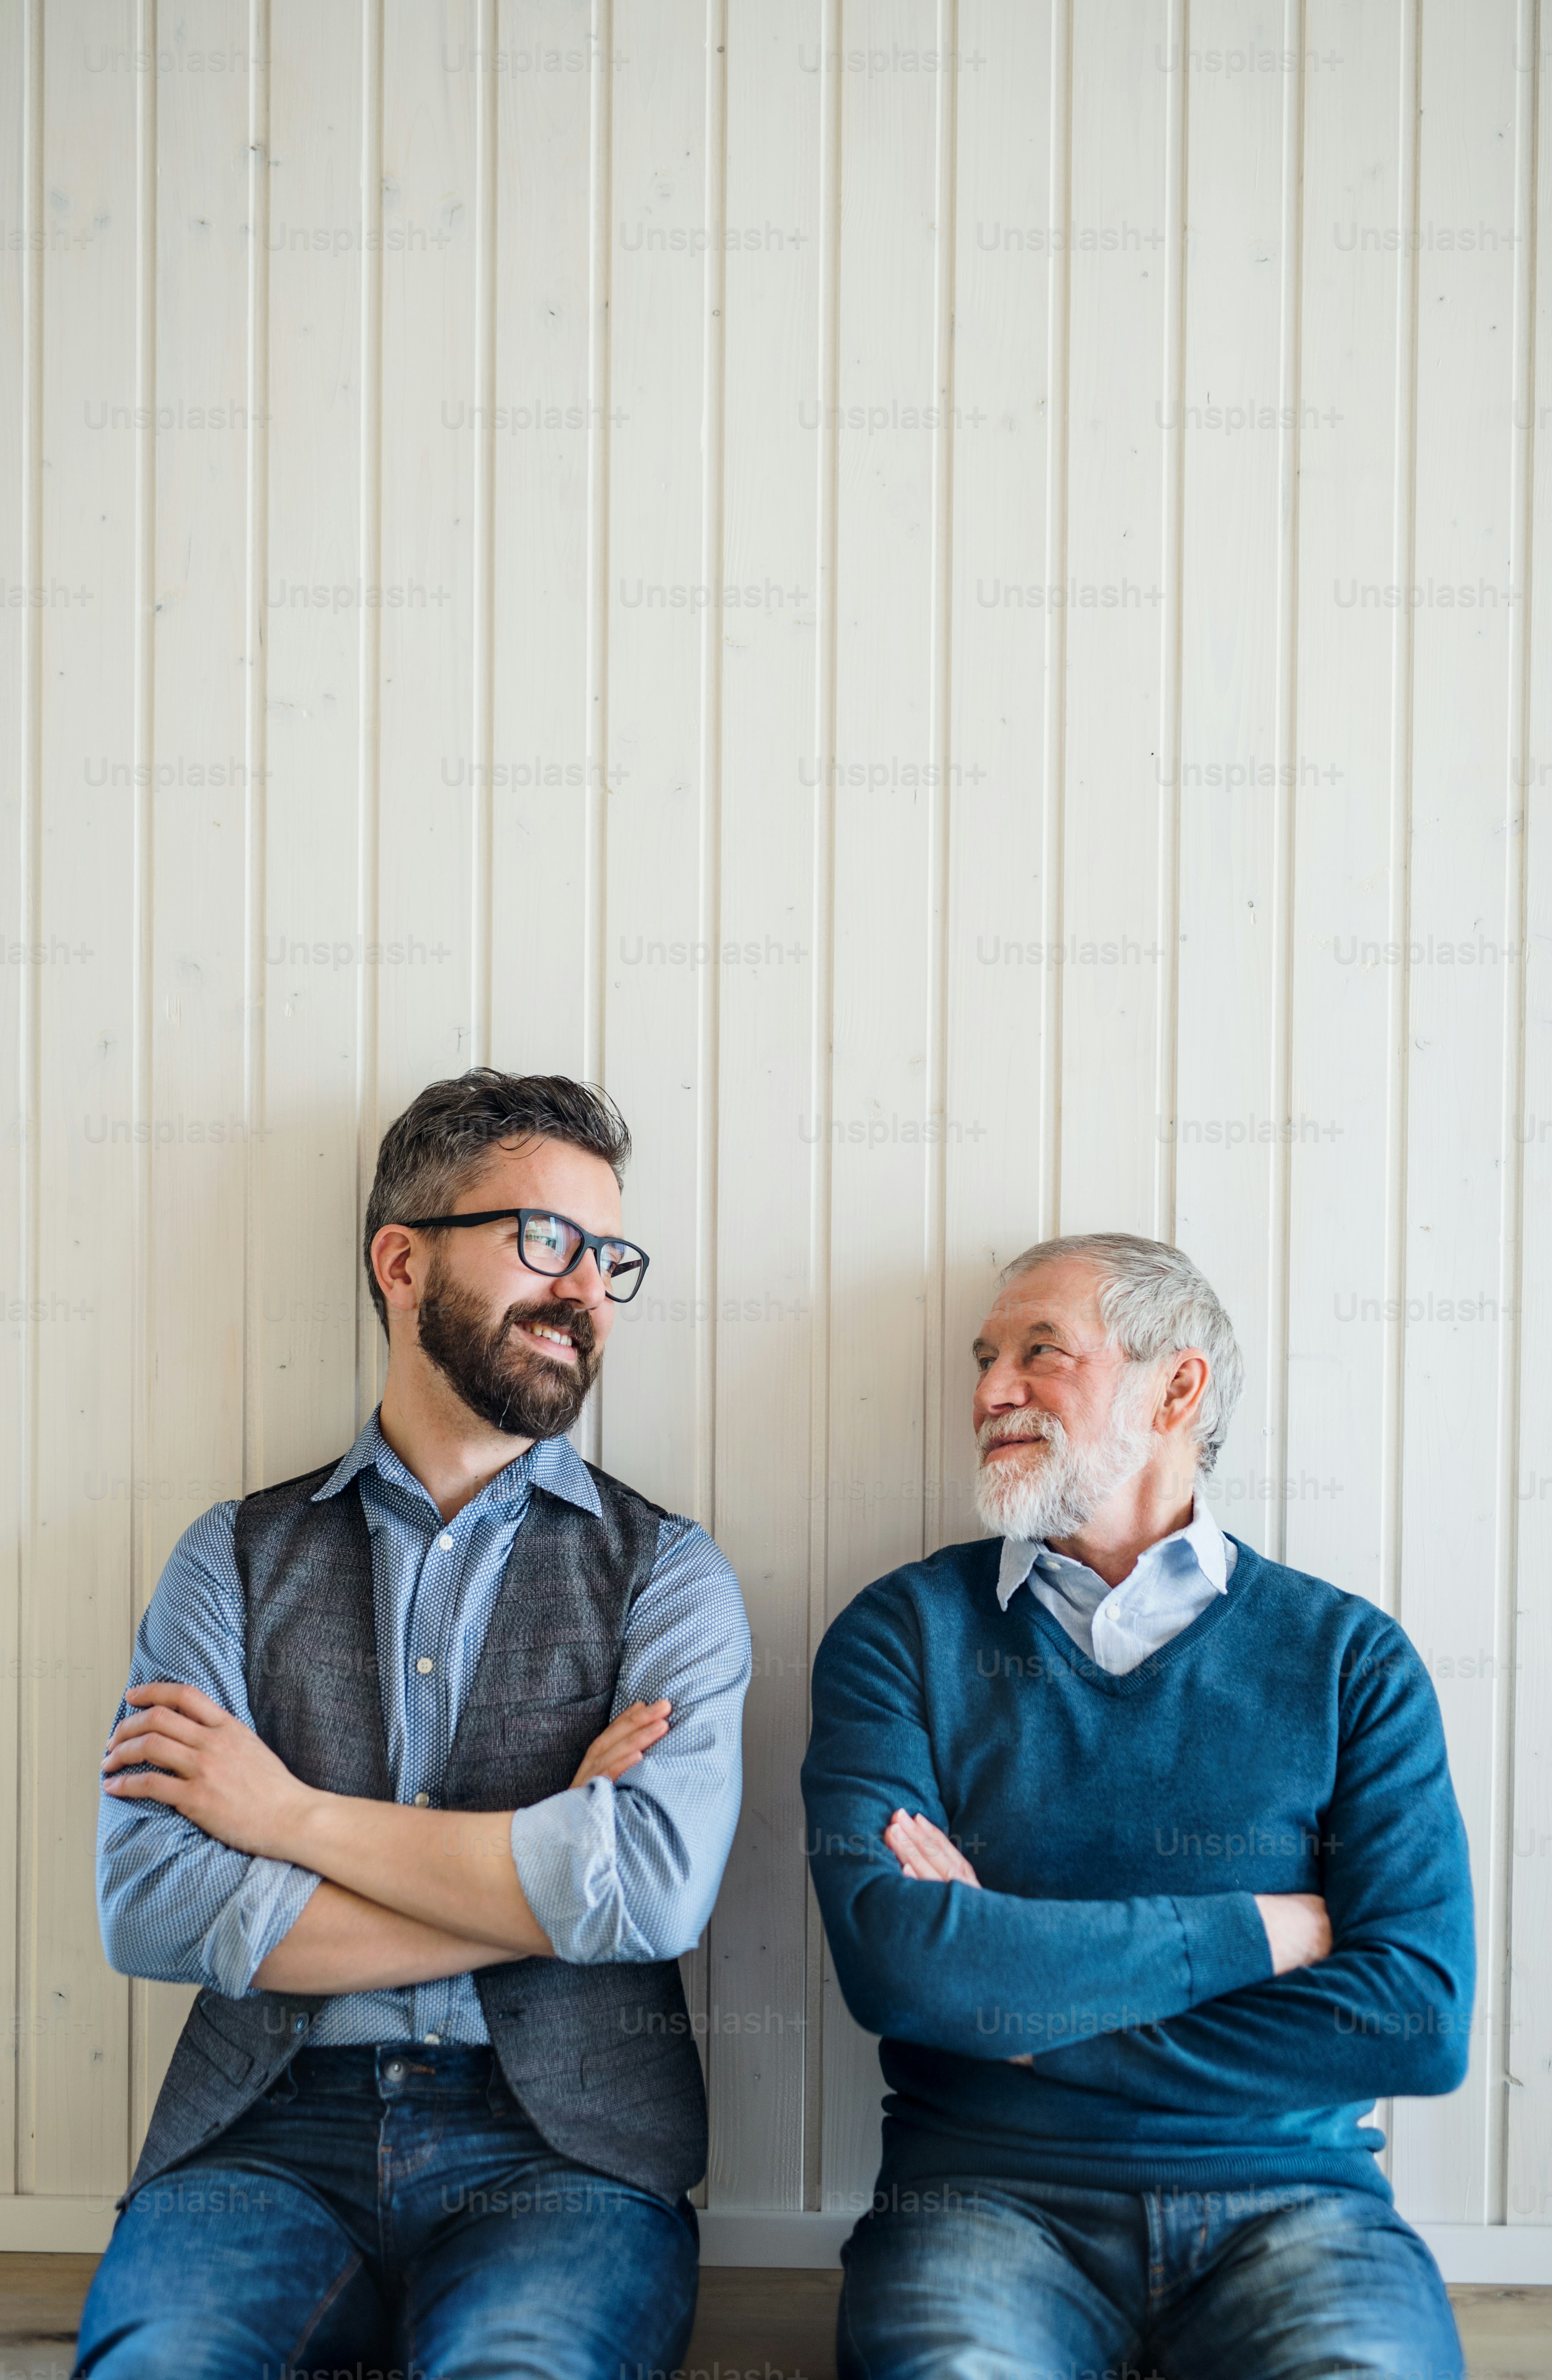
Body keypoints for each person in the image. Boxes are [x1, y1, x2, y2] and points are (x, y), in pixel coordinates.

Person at [76, 1069, 751, 2380]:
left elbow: (653, 1896)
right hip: (263, 2139)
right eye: (543, 1240)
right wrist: (546, 1865)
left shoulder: (669, 1573)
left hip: (566, 2157)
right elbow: (151, 1903)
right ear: (401, 1260)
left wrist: (285, 1819)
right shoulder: (230, 1557)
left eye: (610, 1258)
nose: (584, 1290)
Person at [803, 1231, 1473, 2380]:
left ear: (1178, 1386)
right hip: (985, 2204)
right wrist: (1259, 1931)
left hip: (1297, 2207)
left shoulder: (1347, 1657)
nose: (989, 1391)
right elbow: (906, 1973)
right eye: (985, 1357)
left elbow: (1413, 2015)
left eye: (1040, 1351)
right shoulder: (903, 1636)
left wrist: (1023, 2026)